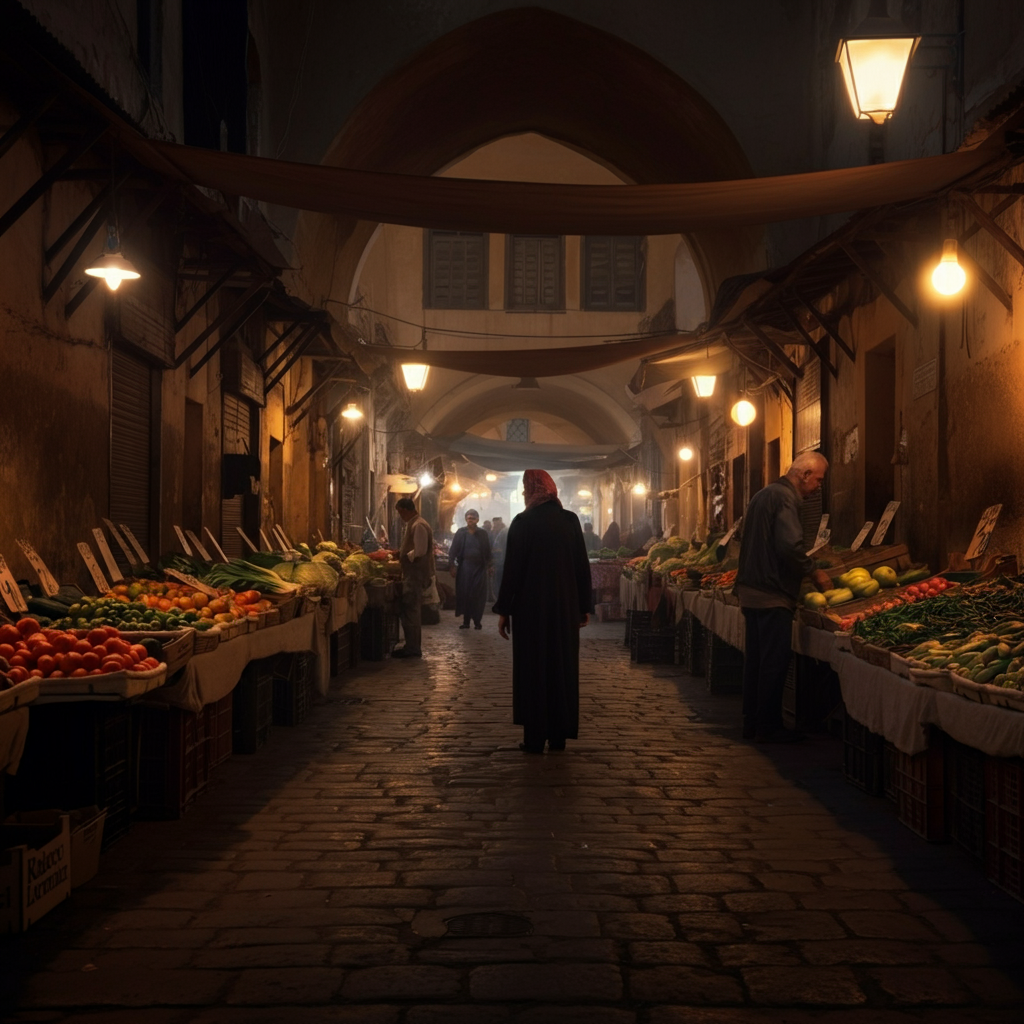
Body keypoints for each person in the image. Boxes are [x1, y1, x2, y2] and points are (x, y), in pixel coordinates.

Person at [734, 451, 832, 742]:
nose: (818, 488)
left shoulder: (763, 494)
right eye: (818, 480)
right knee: (773, 662)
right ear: (804, 475)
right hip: (771, 594)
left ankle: (751, 722)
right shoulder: (787, 498)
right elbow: (789, 546)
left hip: (751, 592)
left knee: (755, 662)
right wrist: (814, 572)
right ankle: (768, 727)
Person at [494, 469, 593, 753]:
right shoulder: (570, 520)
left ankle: (534, 737)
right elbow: (580, 568)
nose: (525, 494)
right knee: (561, 666)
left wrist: (504, 611)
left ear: (531, 489)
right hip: (564, 608)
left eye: (526, 489)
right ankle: (559, 735)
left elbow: (511, 571)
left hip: (529, 610)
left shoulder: (523, 522)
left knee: (532, 668)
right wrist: (583, 607)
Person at [392, 496, 435, 659]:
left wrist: (405, 556)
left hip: (415, 574)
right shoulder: (416, 524)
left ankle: (413, 647)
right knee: (411, 610)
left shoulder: (418, 525)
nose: (401, 517)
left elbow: (420, 550)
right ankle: (411, 645)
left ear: (405, 511)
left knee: (411, 609)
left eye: (401, 513)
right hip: (413, 573)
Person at [449, 508, 492, 629]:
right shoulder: (461, 533)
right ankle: (466, 621)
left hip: (479, 568)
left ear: (477, 520)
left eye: (473, 518)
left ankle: (477, 621)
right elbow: (453, 550)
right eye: (468, 518)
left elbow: (487, 551)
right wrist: (452, 565)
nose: (470, 520)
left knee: (478, 594)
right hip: (465, 568)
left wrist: (490, 566)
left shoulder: (482, 534)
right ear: (466, 519)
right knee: (465, 593)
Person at [490, 516, 507, 596]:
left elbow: (496, 548)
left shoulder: (503, 532)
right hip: (499, 562)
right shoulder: (494, 532)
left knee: (499, 582)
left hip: (501, 562)